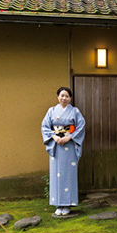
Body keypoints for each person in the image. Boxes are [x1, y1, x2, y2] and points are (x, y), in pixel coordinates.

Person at [41, 87, 86, 216]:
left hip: (70, 145)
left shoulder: (75, 111)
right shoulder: (51, 111)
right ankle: (58, 204)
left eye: (66, 96)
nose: (64, 98)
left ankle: (67, 204)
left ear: (70, 98)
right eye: (62, 96)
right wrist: (54, 137)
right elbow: (45, 126)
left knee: (68, 174)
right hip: (56, 146)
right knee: (56, 174)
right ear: (58, 97)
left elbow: (81, 126)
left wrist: (69, 137)